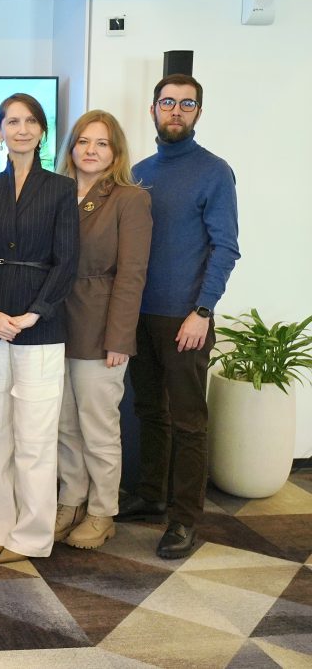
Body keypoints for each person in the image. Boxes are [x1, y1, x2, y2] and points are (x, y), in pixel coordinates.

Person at [118, 74, 240, 559]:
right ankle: (151, 495)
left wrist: (202, 311)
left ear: (198, 113)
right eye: (167, 102)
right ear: (152, 109)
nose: (176, 111)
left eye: (186, 104)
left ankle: (185, 519)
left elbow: (226, 248)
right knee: (149, 410)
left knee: (189, 421)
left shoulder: (214, 171)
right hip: (138, 315)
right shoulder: (139, 172)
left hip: (185, 319)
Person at [0, 93, 79, 564]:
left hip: (42, 328)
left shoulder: (60, 188)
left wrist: (36, 312)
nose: (22, 129)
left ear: (42, 131)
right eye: (12, 121)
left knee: (35, 439)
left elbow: (67, 260)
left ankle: (32, 536)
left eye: (31, 121)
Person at [54, 110, 152, 550]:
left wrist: (120, 338)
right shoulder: (56, 193)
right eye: (83, 141)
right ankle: (71, 501)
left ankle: (102, 511)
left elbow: (132, 274)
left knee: (98, 427)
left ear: (115, 152)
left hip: (100, 328)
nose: (90, 150)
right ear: (71, 147)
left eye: (101, 143)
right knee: (64, 425)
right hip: (54, 325)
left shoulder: (130, 199)